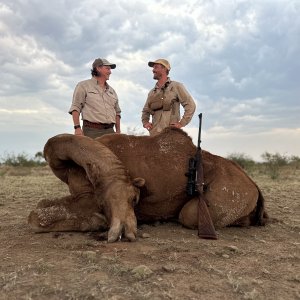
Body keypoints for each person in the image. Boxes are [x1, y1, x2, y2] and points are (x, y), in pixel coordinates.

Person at [141, 58, 196, 136]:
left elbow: (191, 106)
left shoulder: (176, 86)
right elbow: (145, 111)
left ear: (164, 68)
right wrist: (145, 122)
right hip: (154, 137)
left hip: (171, 136)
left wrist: (181, 124)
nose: (153, 70)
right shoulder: (151, 93)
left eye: (156, 67)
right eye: (153, 68)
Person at [69, 58, 121, 139]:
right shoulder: (83, 86)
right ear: (98, 68)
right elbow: (76, 107)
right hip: (91, 132)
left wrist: (118, 131)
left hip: (111, 132)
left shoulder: (112, 91)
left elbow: (117, 113)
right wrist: (77, 128)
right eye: (107, 68)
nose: (110, 72)